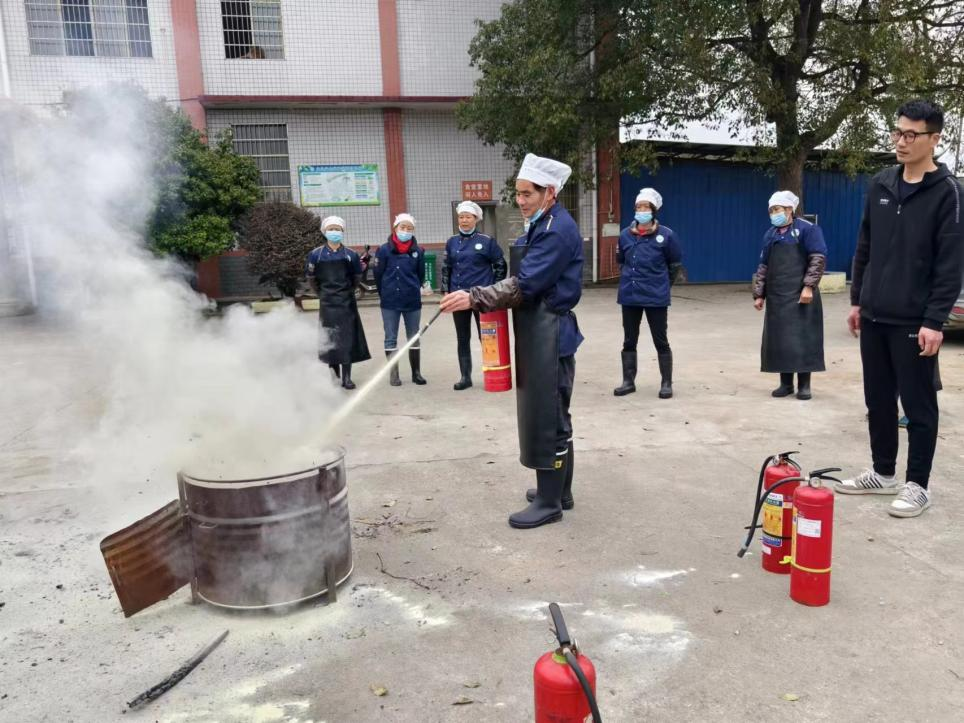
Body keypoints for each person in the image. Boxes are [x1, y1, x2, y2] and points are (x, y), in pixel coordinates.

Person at [440, 153, 583, 529]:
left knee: (548, 416)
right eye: (517, 194)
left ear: (549, 192)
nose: (520, 201)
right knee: (552, 412)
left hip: (549, 331)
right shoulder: (545, 222)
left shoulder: (556, 230)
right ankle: (559, 491)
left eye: (527, 194)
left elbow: (526, 283)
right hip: (540, 330)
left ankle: (550, 502)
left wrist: (474, 296)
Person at [836, 99, 963, 518]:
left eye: (912, 134)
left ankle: (917, 485)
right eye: (897, 132)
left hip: (914, 321)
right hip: (874, 315)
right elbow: (865, 246)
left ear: (934, 139)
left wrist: (934, 321)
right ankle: (883, 472)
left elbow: (950, 263)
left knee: (919, 404)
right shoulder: (882, 183)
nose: (901, 141)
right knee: (878, 400)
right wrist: (857, 300)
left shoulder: (948, 193)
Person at [752, 190, 827, 400]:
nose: (773, 214)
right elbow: (763, 266)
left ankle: (804, 385)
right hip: (777, 296)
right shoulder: (771, 234)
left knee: (803, 339)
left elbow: (817, 258)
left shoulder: (808, 230)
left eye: (777, 209)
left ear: (789, 210)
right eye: (771, 210)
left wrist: (809, 286)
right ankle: (786, 384)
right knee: (780, 340)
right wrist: (759, 294)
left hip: (801, 295)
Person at [613, 187, 683, 399]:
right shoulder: (625, 235)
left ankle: (666, 382)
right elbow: (621, 263)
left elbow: (675, 265)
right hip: (630, 295)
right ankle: (628, 381)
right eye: (638, 207)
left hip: (656, 297)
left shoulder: (667, 235)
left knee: (660, 340)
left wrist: (662, 285)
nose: (641, 210)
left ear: (653, 211)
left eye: (645, 207)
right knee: (629, 340)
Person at [441, 200, 507, 390]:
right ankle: (465, 377)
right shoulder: (452, 242)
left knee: (486, 337)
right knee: (462, 338)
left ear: (476, 219)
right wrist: (446, 289)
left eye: (468, 217)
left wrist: (494, 289)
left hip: (481, 297)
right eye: (461, 217)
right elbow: (447, 267)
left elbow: (500, 265)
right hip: (458, 296)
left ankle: (492, 374)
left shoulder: (486, 241)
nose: (464, 221)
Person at [305, 216, 370, 390]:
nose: (335, 232)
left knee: (346, 340)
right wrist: (323, 295)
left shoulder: (350, 255)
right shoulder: (315, 255)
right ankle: (334, 376)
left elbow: (356, 278)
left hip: (346, 303)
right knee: (330, 340)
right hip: (327, 304)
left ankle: (347, 378)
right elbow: (312, 279)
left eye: (338, 229)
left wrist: (346, 292)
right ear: (325, 231)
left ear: (343, 231)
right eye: (331, 229)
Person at [373, 213, 427, 386]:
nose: (406, 231)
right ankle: (394, 374)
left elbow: (420, 275)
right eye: (402, 227)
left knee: (414, 336)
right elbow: (378, 275)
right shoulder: (383, 250)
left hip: (412, 300)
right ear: (395, 228)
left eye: (409, 228)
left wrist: (413, 288)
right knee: (391, 337)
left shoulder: (418, 251)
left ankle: (416, 373)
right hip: (390, 301)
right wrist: (385, 293)